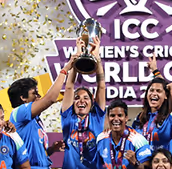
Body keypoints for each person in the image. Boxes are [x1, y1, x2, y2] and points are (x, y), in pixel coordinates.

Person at [9, 59, 74, 169]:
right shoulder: (19, 112)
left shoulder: (35, 120)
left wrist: (51, 149)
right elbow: (51, 98)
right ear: (23, 98)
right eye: (34, 93)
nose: (38, 96)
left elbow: (34, 156)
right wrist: (64, 70)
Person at [62, 39, 107, 169]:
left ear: (92, 102)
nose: (81, 101)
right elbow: (69, 86)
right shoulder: (67, 117)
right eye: (77, 98)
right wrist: (78, 58)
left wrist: (97, 59)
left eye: (86, 98)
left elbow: (101, 86)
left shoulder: (96, 117)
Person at [134, 56, 172, 154]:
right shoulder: (140, 118)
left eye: (158, 91)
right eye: (151, 90)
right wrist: (155, 71)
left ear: (166, 96)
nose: (154, 93)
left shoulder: (169, 117)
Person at [96, 99, 154, 169]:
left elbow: (148, 167)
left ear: (126, 118)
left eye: (120, 115)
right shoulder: (101, 138)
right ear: (108, 118)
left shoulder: (138, 140)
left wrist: (136, 163)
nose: (116, 119)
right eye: (112, 115)